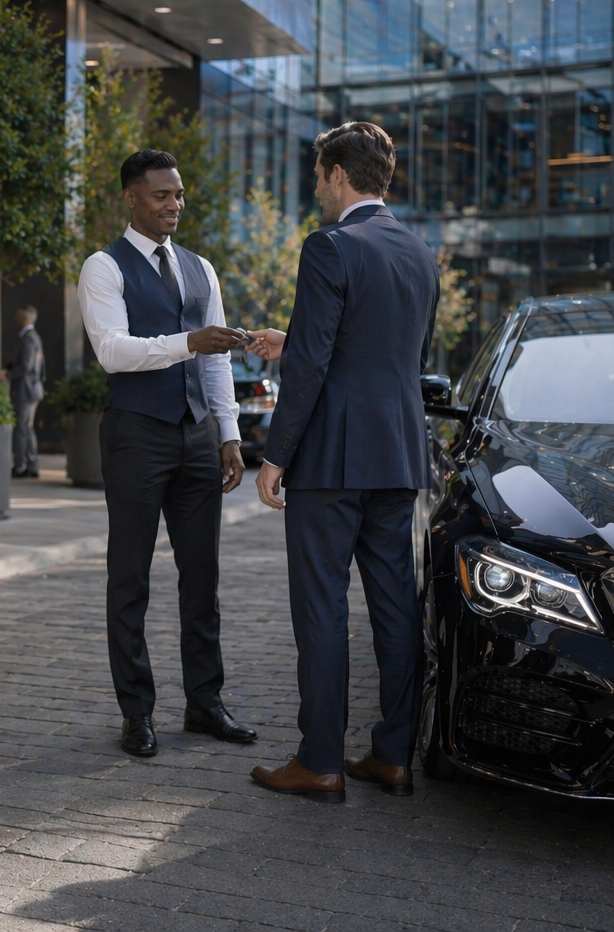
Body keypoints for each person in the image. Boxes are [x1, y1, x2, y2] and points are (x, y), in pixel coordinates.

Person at [246, 121, 438, 804]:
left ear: (336, 175)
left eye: (318, 175)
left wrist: (276, 455)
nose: (315, 188)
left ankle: (320, 761)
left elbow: (319, 362)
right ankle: (393, 755)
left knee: (322, 607)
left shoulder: (328, 247)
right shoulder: (419, 253)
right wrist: (293, 337)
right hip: (398, 456)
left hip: (331, 461)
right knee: (394, 608)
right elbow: (393, 354)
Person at [76, 148, 254, 760]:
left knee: (201, 576)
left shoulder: (202, 268)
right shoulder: (103, 267)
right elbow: (113, 351)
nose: (174, 204)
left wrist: (227, 434)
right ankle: (137, 712)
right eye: (161, 195)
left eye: (178, 194)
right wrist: (187, 341)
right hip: (136, 434)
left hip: (197, 437)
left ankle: (206, 704)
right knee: (130, 578)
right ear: (131, 197)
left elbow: (219, 357)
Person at [0, 305, 46, 478]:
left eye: (19, 316)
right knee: (27, 428)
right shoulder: (35, 337)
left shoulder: (27, 338)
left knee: (21, 428)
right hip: (33, 389)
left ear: (25, 319)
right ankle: (31, 465)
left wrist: (8, 374)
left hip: (25, 390)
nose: (16, 318)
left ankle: (19, 465)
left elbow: (26, 366)